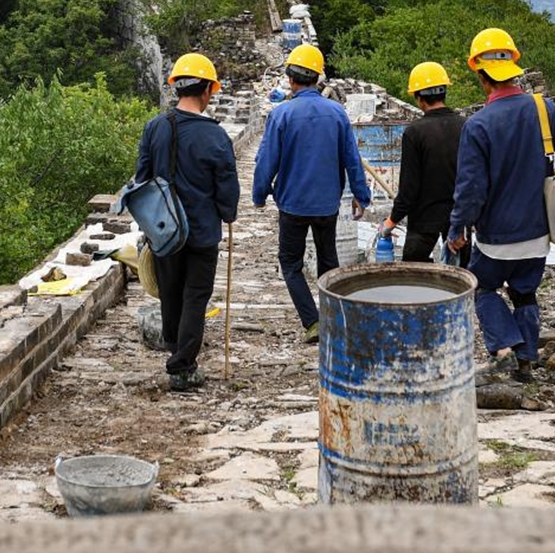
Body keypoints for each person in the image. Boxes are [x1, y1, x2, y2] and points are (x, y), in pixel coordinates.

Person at [448, 28, 555, 382]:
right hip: (537, 232)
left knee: (483, 288)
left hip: (495, 237)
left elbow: (471, 188)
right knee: (524, 293)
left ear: (480, 74)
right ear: (513, 68)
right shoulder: (542, 108)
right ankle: (525, 361)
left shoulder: (478, 126)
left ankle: (503, 348)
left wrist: (458, 227)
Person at [252, 43, 372, 343]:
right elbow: (351, 158)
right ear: (318, 78)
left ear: (290, 78)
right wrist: (362, 194)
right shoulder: (337, 113)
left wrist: (259, 193)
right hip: (326, 204)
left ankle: (312, 321)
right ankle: (333, 319)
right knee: (328, 261)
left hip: (292, 204)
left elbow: (267, 160)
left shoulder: (281, 115)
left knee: (290, 264)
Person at [135, 52, 240, 391]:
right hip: (202, 231)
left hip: (164, 230)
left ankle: (174, 343)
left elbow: (142, 178)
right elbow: (227, 190)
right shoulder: (216, 137)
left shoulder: (155, 127)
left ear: (177, 88)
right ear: (207, 90)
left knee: (170, 292)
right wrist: (228, 213)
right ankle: (182, 364)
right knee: (196, 295)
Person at [380, 61, 468, 263]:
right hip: (459, 218)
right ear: (444, 91)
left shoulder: (415, 132)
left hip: (423, 221)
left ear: (419, 98)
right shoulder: (465, 126)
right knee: (463, 279)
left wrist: (391, 221)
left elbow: (409, 188)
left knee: (414, 280)